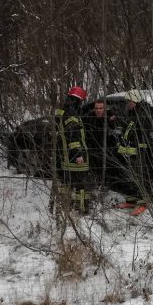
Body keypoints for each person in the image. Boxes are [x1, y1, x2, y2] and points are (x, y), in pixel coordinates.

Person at [55, 85, 91, 213]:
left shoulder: (61, 111)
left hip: (63, 155)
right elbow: (73, 137)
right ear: (78, 100)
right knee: (81, 185)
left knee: (66, 183)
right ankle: (82, 208)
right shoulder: (72, 114)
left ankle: (65, 205)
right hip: (74, 157)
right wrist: (78, 155)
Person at [114, 90, 149, 215]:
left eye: (129, 101)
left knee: (139, 177)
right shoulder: (133, 113)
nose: (127, 104)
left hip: (138, 154)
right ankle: (132, 200)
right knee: (129, 177)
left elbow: (141, 136)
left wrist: (140, 153)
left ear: (135, 101)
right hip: (130, 153)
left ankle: (142, 203)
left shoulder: (142, 115)